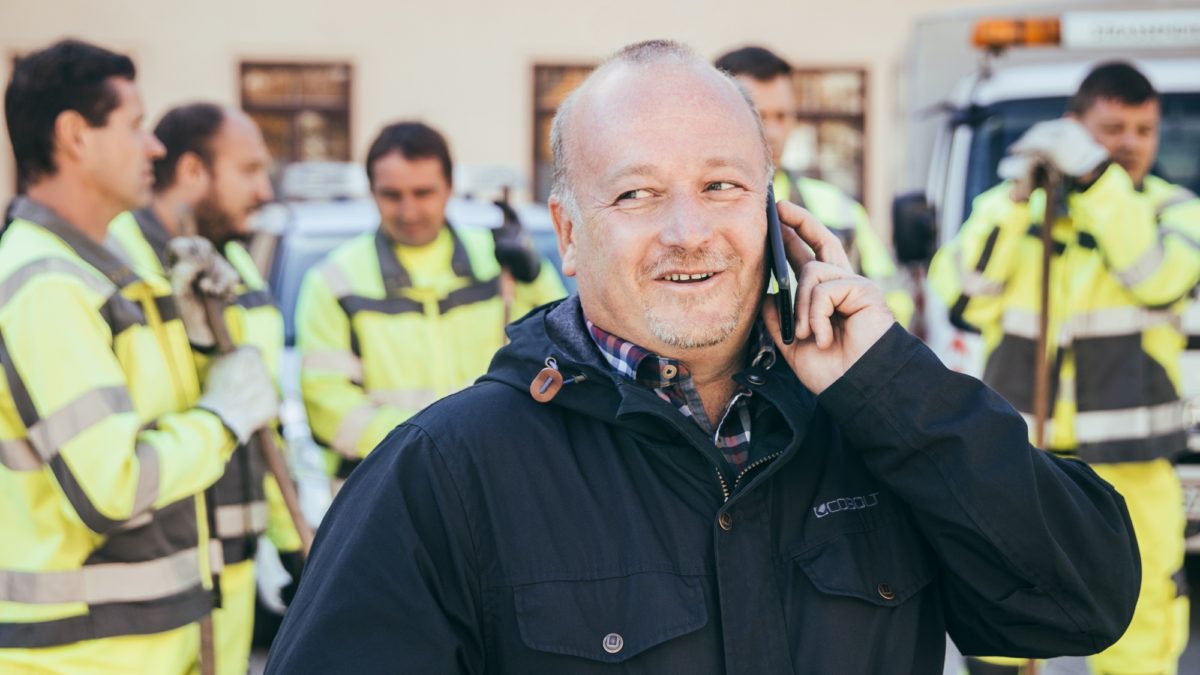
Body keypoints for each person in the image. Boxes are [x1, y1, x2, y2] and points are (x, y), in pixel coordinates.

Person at [266, 41, 1140, 674]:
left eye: (721, 185)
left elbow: (1080, 601)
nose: (689, 232)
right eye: (637, 193)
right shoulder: (443, 474)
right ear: (569, 233)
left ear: (774, 209)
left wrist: (890, 384)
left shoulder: (878, 427)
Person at [0, 40, 277, 672]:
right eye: (134, 126)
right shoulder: (46, 286)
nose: (154, 148)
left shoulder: (103, 273)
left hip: (141, 640)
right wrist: (222, 418)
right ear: (75, 136)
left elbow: (151, 416)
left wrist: (204, 342)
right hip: (80, 655)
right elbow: (115, 489)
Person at [929, 61, 1200, 675]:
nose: (1130, 142)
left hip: (1131, 461)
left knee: (1144, 608)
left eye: (1144, 129)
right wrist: (1019, 201)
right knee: (1003, 595)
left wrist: (1099, 179)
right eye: (1111, 127)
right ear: (1073, 126)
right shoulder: (1014, 207)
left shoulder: (1174, 211)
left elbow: (1157, 279)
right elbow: (965, 297)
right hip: (1021, 452)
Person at [106, 102, 303, 675]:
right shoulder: (120, 267)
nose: (264, 191)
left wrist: (295, 545)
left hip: (231, 574)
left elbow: (258, 420)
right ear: (193, 171)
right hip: (149, 580)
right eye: (248, 170)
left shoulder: (235, 268)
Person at [294, 121, 565, 487]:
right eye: (392, 195)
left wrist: (534, 276)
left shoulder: (500, 265)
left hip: (492, 480)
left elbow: (559, 348)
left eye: (423, 193)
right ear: (372, 192)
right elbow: (328, 406)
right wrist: (439, 443)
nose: (408, 211)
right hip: (384, 487)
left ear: (450, 188)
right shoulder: (333, 281)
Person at [714, 45, 914, 328]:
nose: (773, 132)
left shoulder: (840, 208)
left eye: (783, 116)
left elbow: (892, 301)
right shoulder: (691, 214)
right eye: (758, 116)